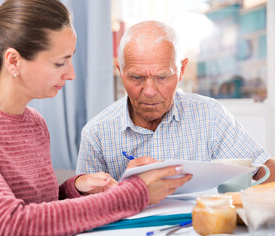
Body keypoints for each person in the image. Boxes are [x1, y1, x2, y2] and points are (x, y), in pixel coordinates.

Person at [0, 1, 192, 236]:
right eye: (60, 63)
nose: (71, 74)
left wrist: (75, 188)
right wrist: (137, 192)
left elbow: (38, 206)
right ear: (13, 62)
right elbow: (12, 225)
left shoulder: (33, 122)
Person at [76, 20, 275, 183]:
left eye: (162, 77)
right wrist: (124, 190)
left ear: (182, 70)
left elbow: (263, 171)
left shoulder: (210, 115)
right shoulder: (97, 134)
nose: (150, 92)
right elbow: (84, 211)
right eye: (136, 77)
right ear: (120, 71)